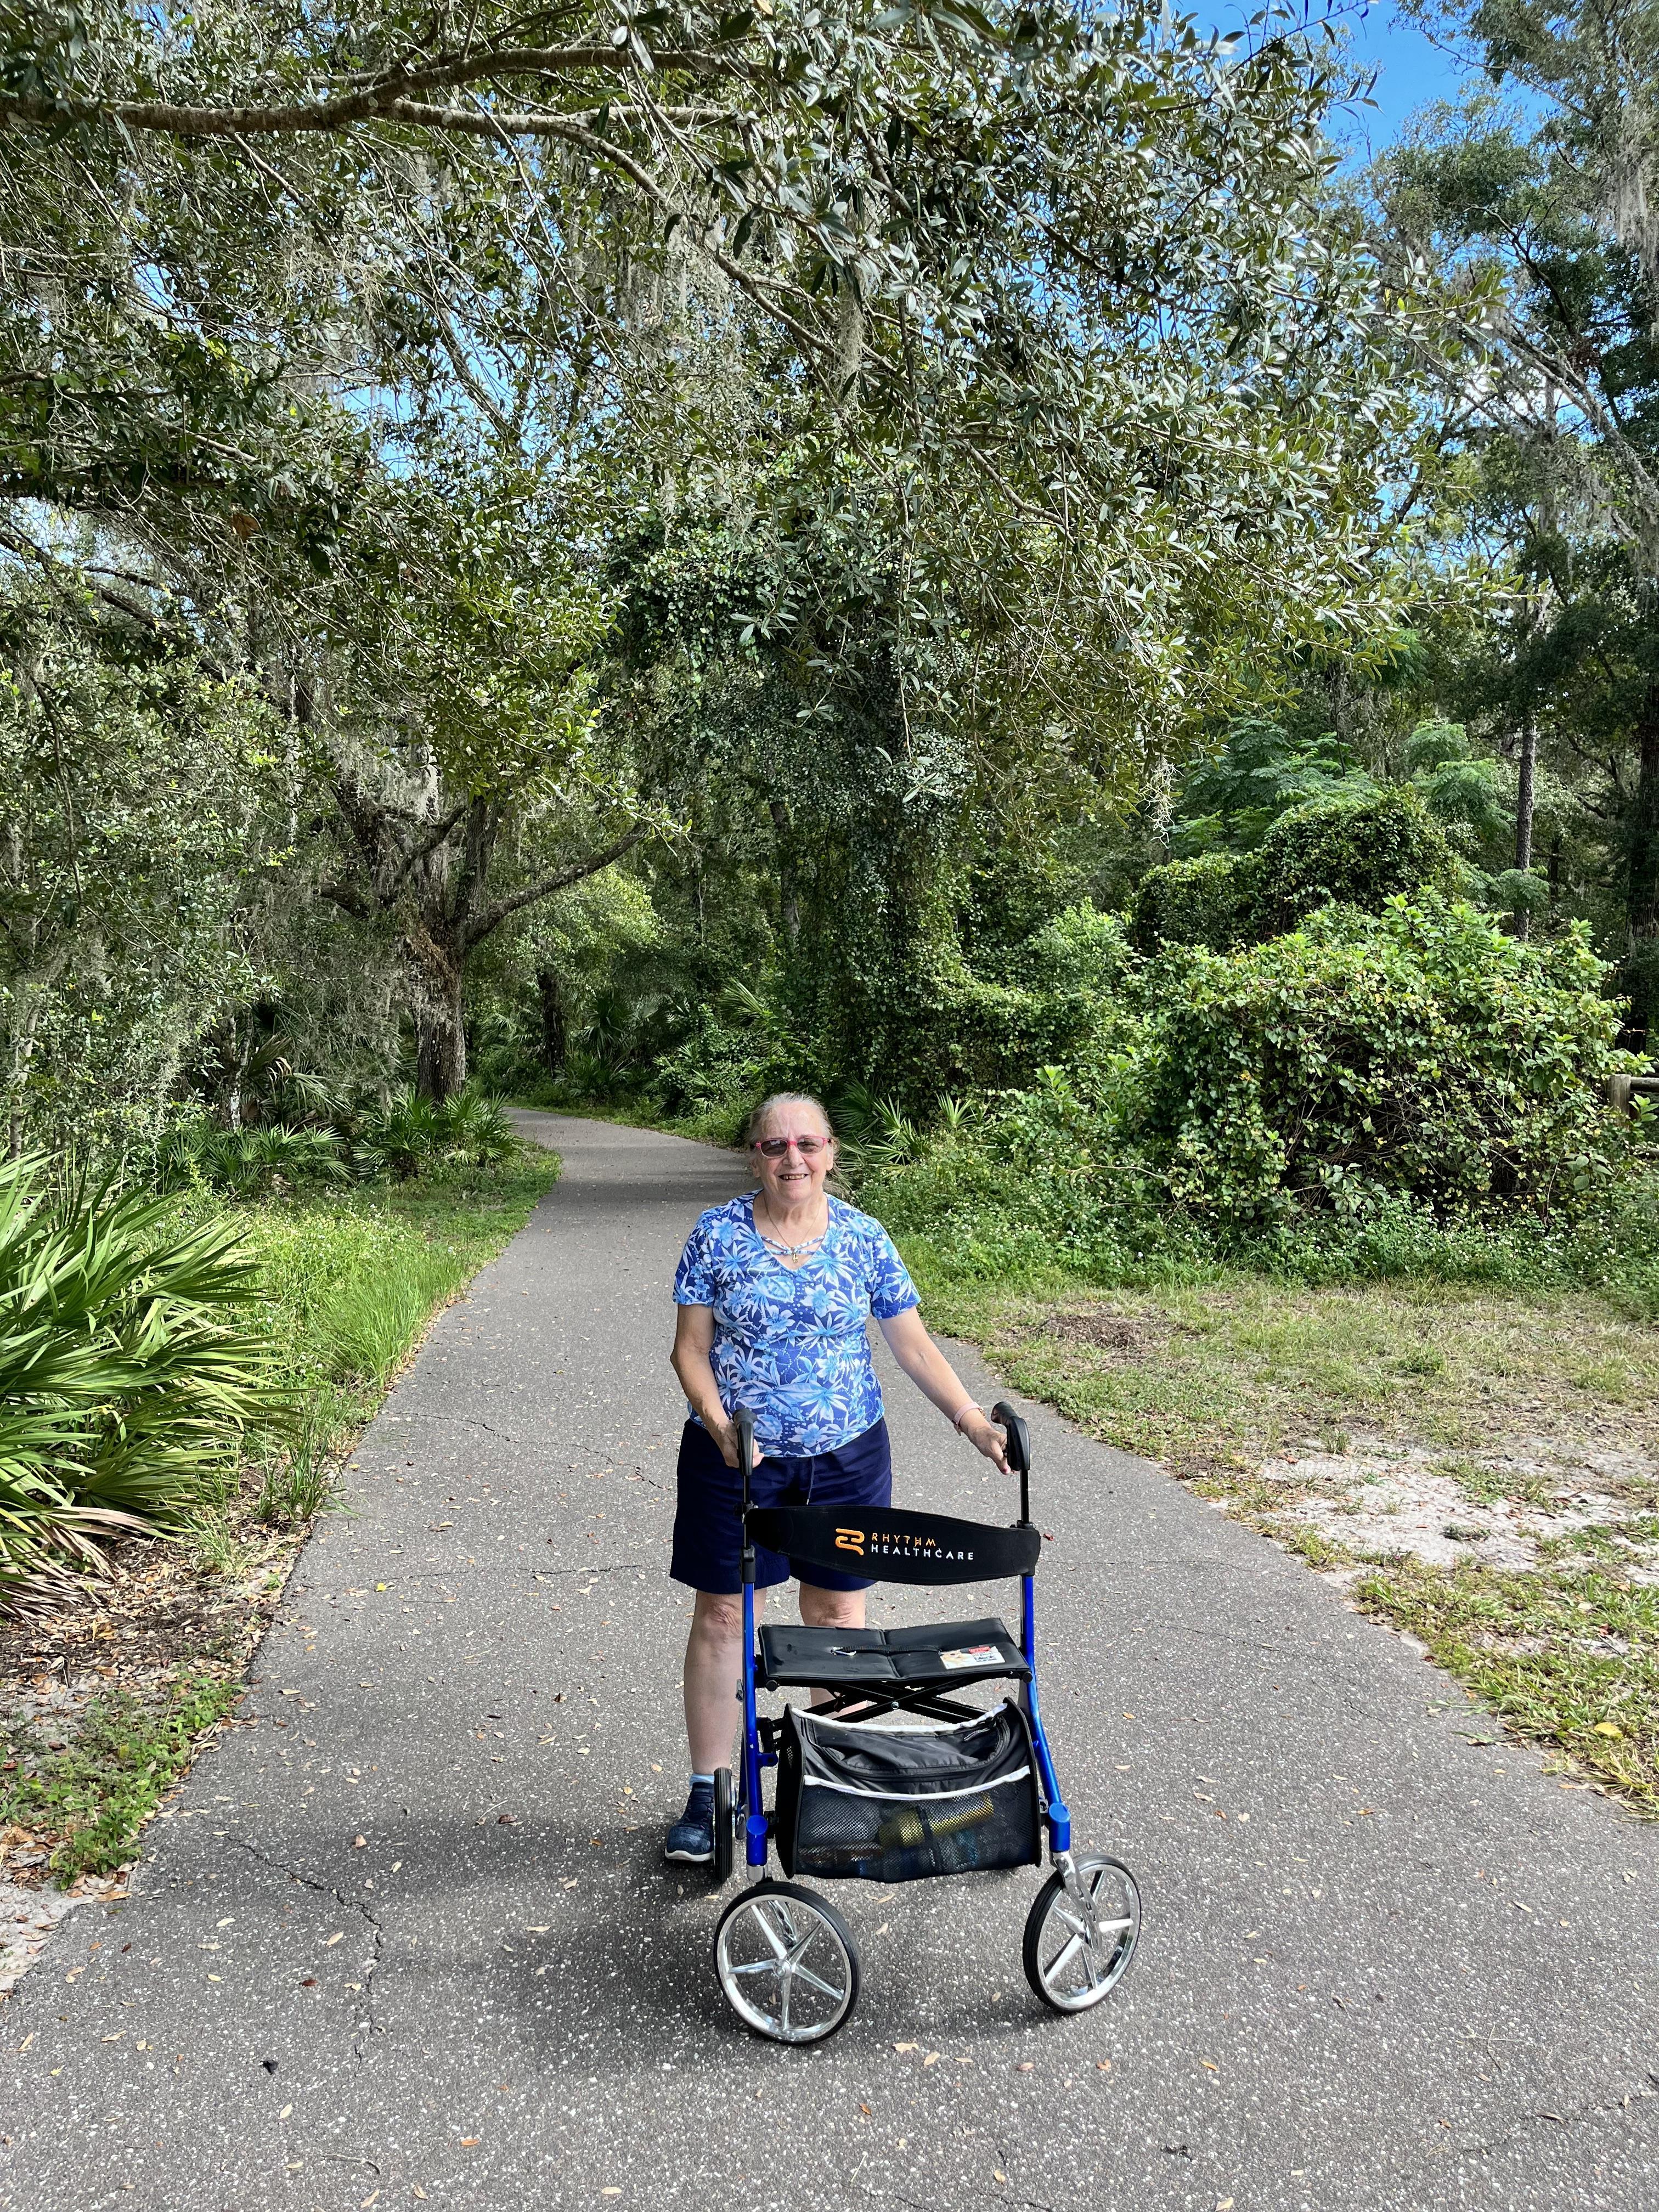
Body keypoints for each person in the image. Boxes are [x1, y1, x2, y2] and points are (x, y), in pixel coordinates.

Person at [664, 1089, 1010, 1864]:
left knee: (837, 1618)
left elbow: (913, 1346)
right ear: (754, 1156)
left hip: (847, 1455)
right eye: (775, 1146)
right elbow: (690, 1349)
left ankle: (835, 1781)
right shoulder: (715, 1236)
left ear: (831, 1153)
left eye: (808, 1145)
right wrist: (721, 1424)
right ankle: (707, 1791)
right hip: (735, 1460)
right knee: (723, 1616)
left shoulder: (863, 1238)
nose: (793, 1159)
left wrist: (973, 1423)